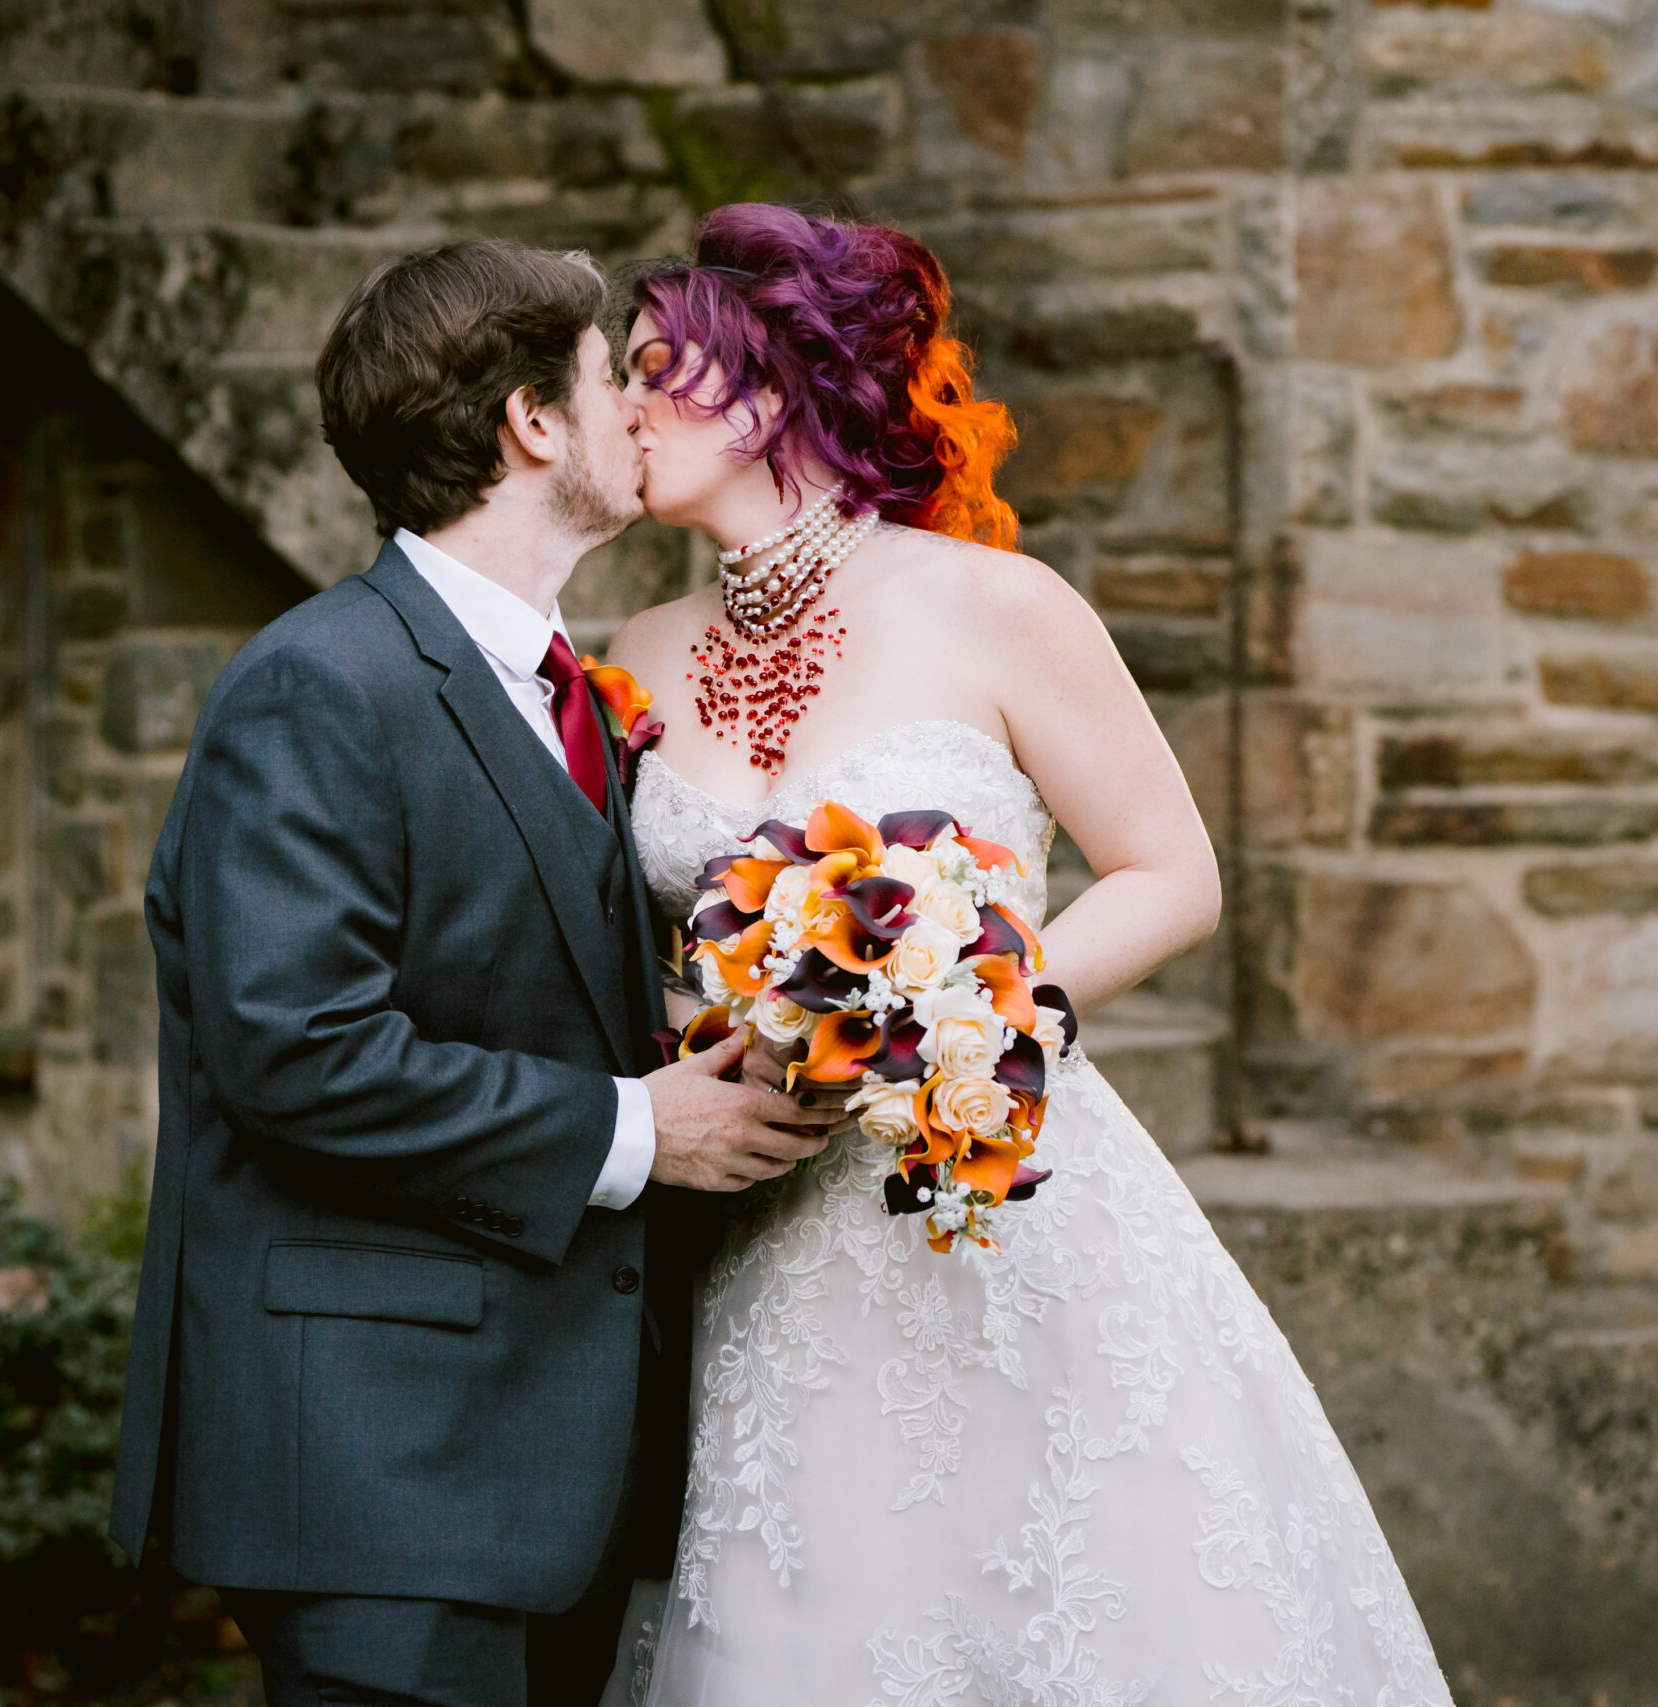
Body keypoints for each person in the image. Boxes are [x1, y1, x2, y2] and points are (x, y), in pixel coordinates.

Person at [597, 204, 1453, 1704]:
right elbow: (635, 947)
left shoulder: (994, 605)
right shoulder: (634, 654)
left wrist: (966, 1011)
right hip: (767, 1232)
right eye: (624, 368)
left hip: (1002, 1194)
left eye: (666, 364)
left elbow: (1171, 873)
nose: (627, 402)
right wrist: (706, 1041)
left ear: (775, 385)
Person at [107, 237, 849, 1707]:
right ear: (529, 424)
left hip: (553, 1473)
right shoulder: (318, 684)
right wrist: (645, 1128)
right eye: (608, 381)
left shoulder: (577, 691)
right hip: (382, 1473)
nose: (642, 412)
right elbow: (296, 1052)